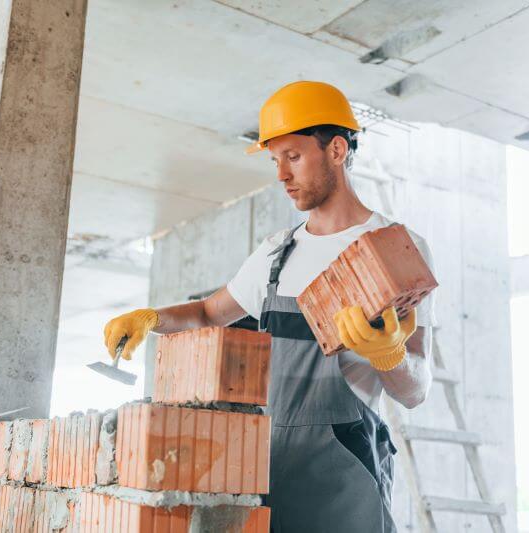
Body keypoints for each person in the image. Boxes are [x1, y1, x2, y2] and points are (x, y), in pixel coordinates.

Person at [103, 81, 436, 532]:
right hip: (262, 466)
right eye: (274, 159)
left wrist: (389, 354)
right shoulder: (277, 253)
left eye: (293, 156)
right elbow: (206, 314)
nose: (281, 174)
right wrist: (149, 317)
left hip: (342, 477)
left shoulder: (393, 249)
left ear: (336, 149)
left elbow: (415, 391)